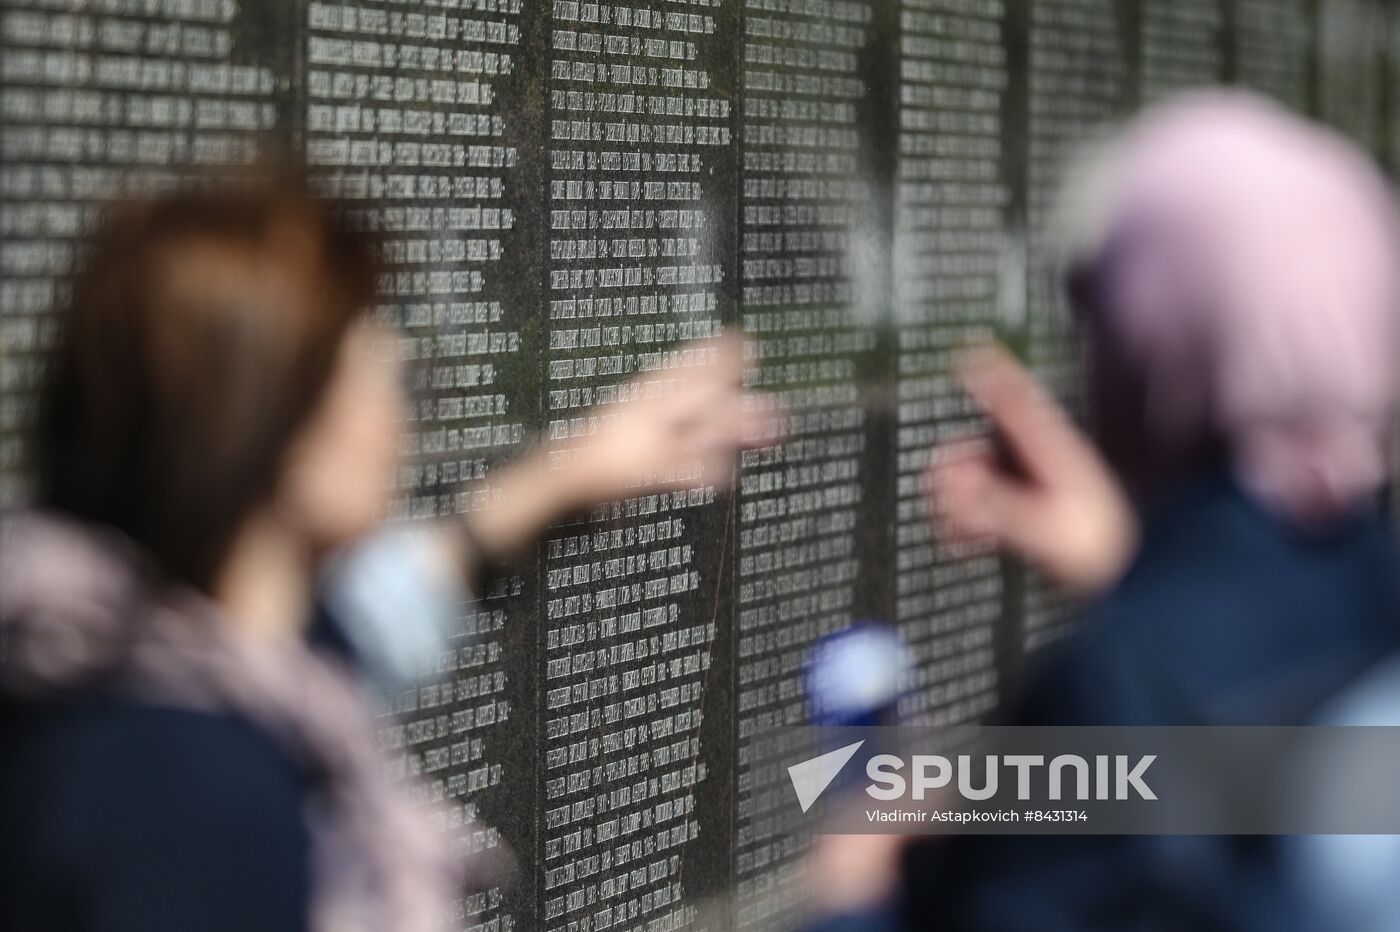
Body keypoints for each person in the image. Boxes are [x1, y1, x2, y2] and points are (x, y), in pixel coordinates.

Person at [0, 177, 774, 932]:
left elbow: (351, 634)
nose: (406, 419)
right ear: (284, 438)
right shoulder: (198, 799)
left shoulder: (132, 664)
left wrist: (566, 479)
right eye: (391, 378)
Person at [808, 91, 1400, 930]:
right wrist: (1129, 570)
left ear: (1151, 343)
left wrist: (859, 884)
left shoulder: (1109, 699)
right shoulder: (1374, 602)